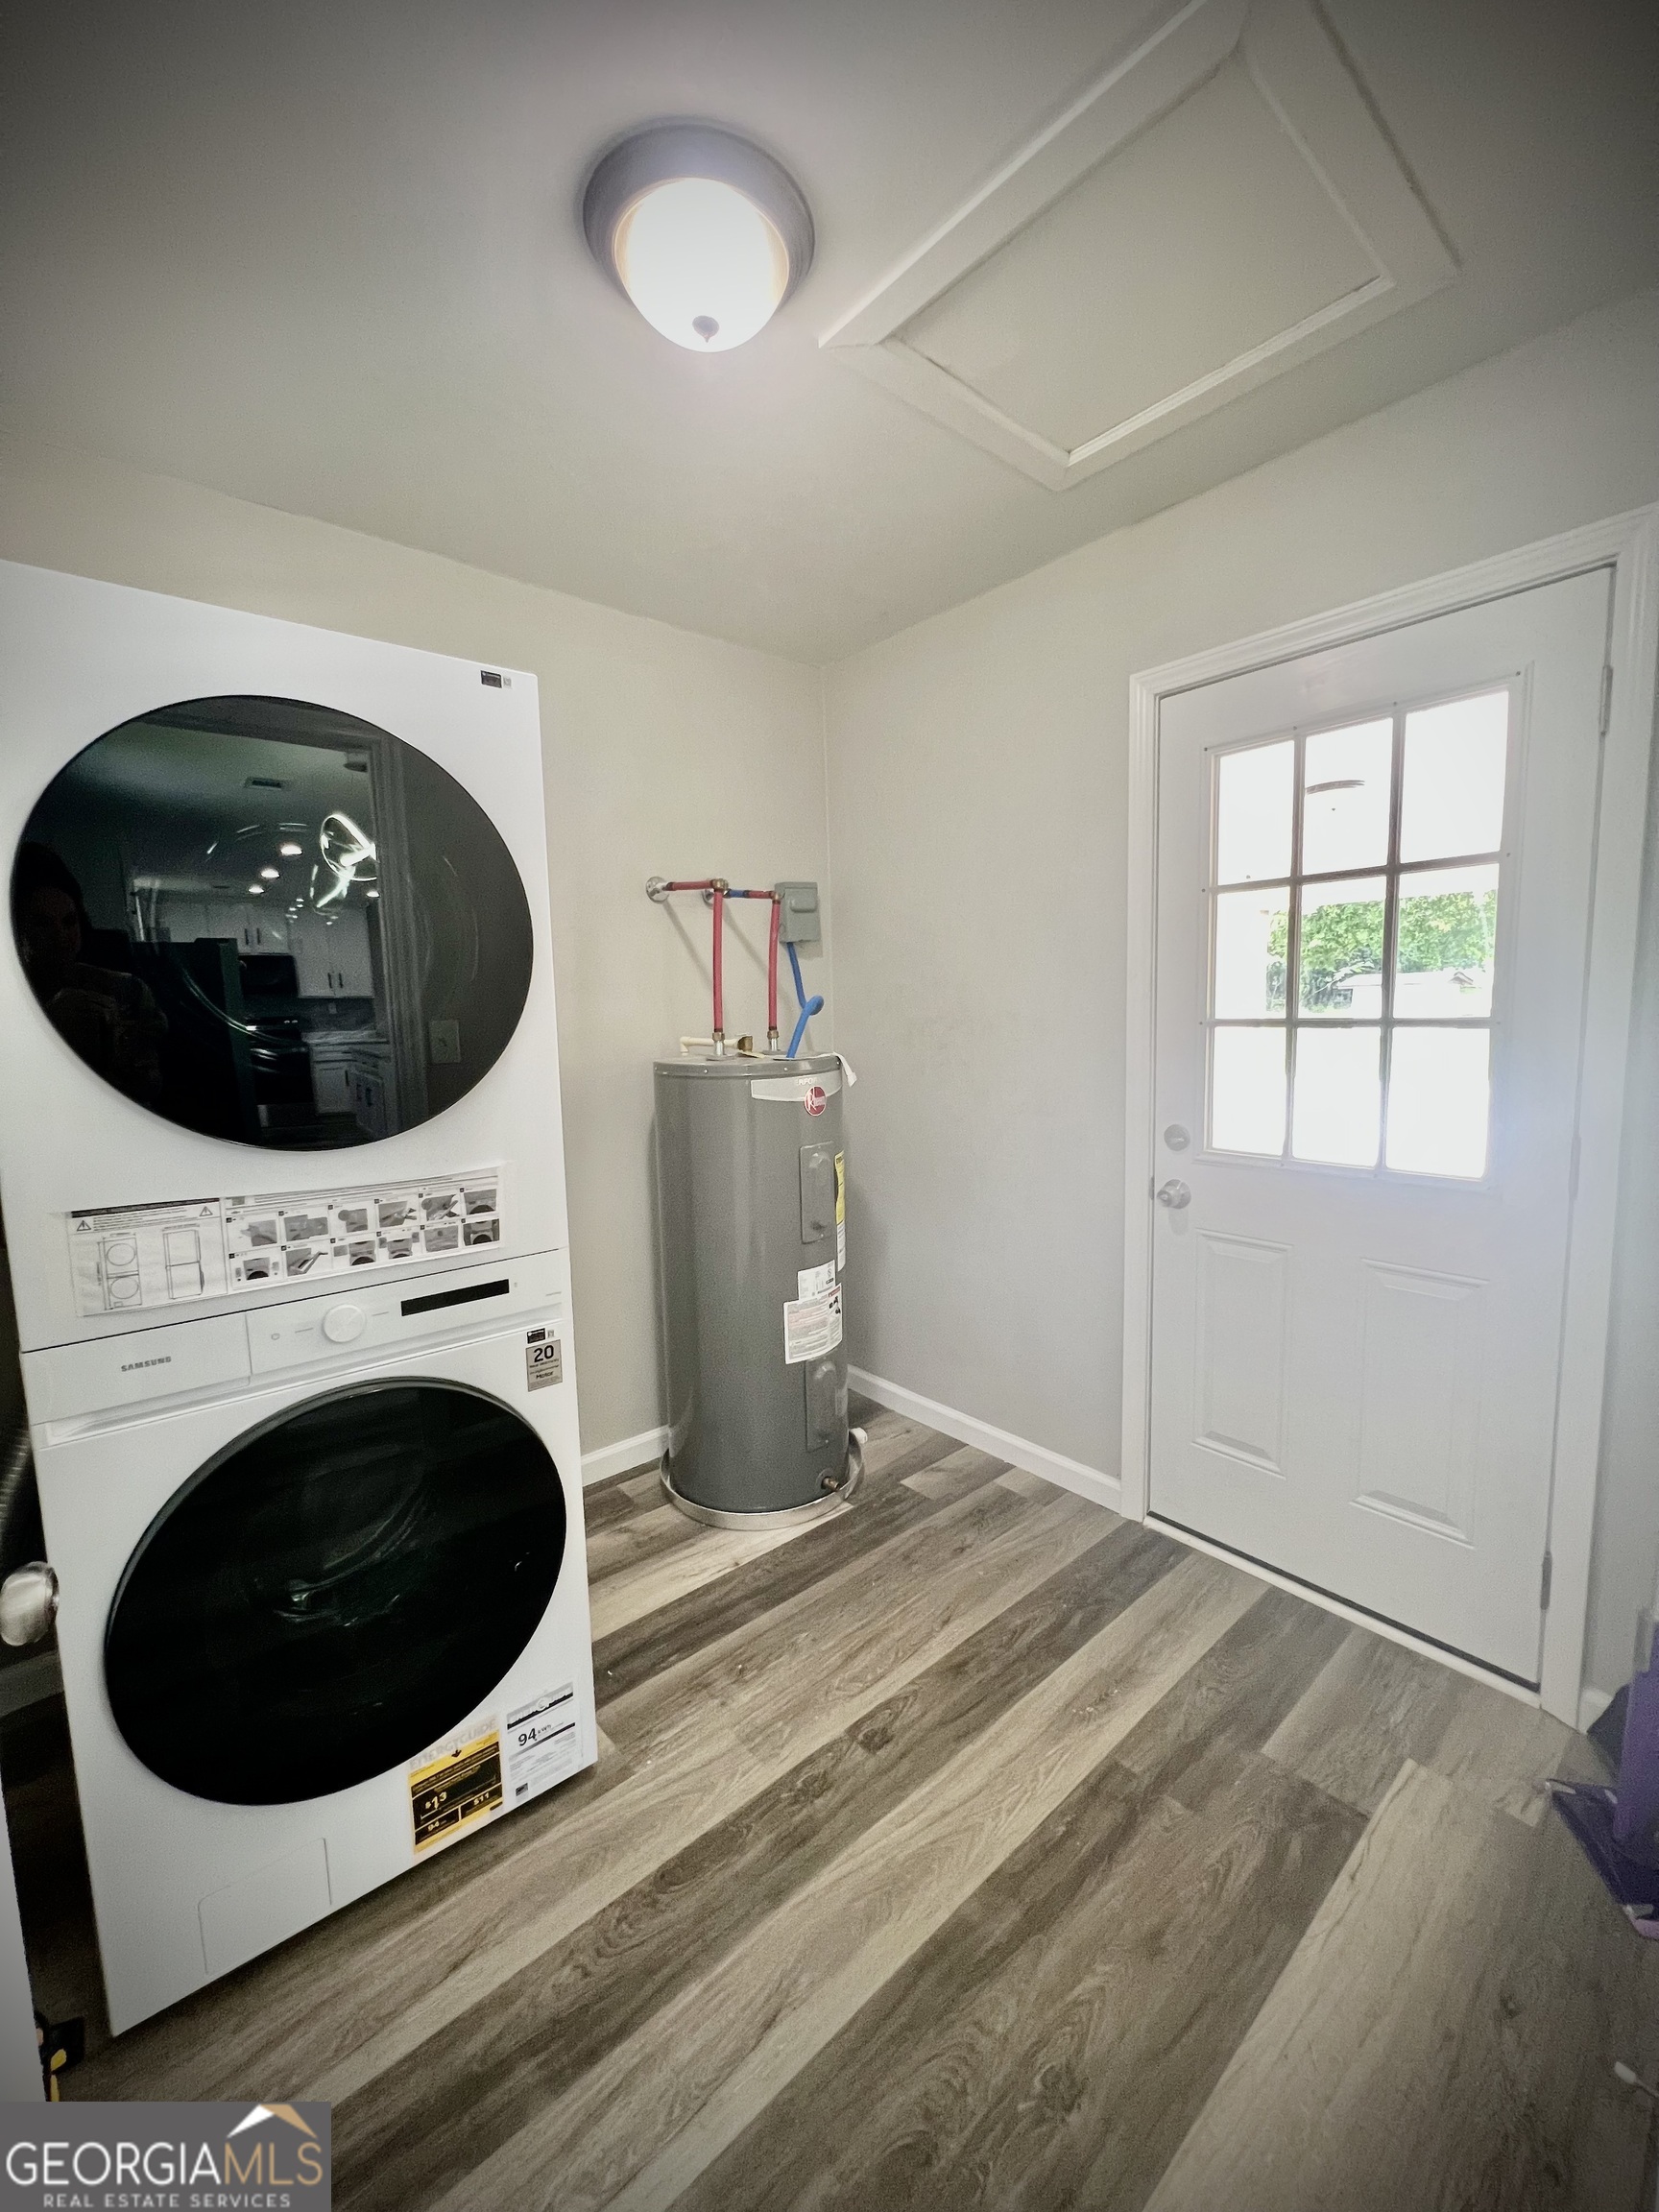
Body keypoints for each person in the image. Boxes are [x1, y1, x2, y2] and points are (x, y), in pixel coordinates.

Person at [12, 843, 165, 1104]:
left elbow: (152, 1088)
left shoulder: (126, 992)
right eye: (41, 924)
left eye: (70, 922)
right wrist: (49, 1025)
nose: (60, 937)